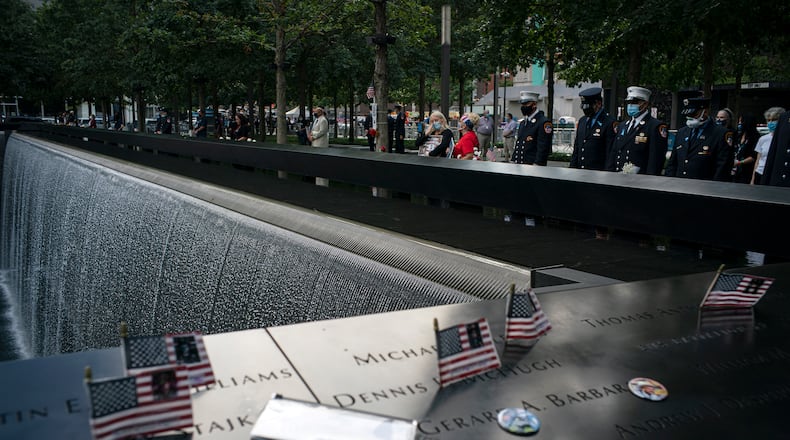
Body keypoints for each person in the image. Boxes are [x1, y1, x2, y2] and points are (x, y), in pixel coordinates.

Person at [664, 96, 733, 181]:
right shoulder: (682, 132)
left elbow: (723, 168)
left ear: (705, 112)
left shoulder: (720, 133)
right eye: (688, 114)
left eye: (693, 114)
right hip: (679, 186)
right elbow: (672, 163)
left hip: (705, 188)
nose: (690, 117)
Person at [607, 86, 667, 175]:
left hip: (640, 181)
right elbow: (614, 152)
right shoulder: (623, 125)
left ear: (645, 104)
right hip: (618, 178)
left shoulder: (654, 126)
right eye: (629, 102)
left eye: (634, 102)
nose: (630, 105)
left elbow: (655, 160)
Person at [570, 87, 616, 171]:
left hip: (598, 173)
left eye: (588, 106)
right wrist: (572, 169)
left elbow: (610, 152)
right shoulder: (582, 121)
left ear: (598, 104)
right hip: (580, 171)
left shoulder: (608, 122)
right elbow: (577, 148)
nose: (585, 109)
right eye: (583, 106)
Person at [510, 91, 553, 165]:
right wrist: (514, 160)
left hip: (532, 167)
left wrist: (537, 165)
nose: (523, 107)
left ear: (534, 104)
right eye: (522, 104)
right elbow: (519, 144)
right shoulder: (523, 123)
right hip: (519, 165)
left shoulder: (544, 122)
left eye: (526, 104)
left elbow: (543, 148)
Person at [752, 107, 785, 184]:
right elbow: (758, 160)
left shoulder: (784, 140)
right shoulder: (762, 139)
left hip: (774, 175)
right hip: (760, 173)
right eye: (768, 120)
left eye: (774, 120)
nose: (770, 123)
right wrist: (753, 179)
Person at [761, 109, 790, 187]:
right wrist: (765, 181)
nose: (770, 122)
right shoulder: (784, 117)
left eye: (773, 120)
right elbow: (773, 150)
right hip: (778, 180)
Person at [732, 113, 759, 183]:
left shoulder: (755, 137)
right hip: (734, 170)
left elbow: (753, 156)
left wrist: (739, 162)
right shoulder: (737, 135)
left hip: (746, 171)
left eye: (741, 122)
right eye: (739, 122)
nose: (739, 124)